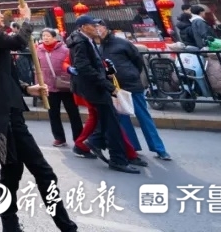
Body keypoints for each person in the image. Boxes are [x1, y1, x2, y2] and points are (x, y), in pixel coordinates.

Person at [0, 0, 77, 232]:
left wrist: (27, 88)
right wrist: (27, 18)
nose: (1, 15)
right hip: (5, 116)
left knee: (11, 174)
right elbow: (19, 41)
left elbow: (5, 75)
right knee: (43, 172)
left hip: (11, 112)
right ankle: (66, 227)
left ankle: (10, 226)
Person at [66, 16, 139, 174]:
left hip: (94, 87)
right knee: (111, 123)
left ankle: (95, 141)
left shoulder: (86, 40)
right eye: (93, 25)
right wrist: (107, 85)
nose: (97, 28)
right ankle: (117, 159)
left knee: (107, 120)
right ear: (84, 27)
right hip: (95, 88)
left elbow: (90, 64)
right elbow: (83, 66)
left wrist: (105, 70)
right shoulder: (81, 42)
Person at [96, 21, 170, 161]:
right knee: (123, 120)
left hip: (132, 84)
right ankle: (132, 148)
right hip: (115, 88)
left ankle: (159, 149)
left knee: (143, 117)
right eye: (94, 28)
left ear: (105, 28)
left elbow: (137, 60)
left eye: (99, 27)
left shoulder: (122, 43)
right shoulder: (98, 47)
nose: (97, 30)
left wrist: (132, 74)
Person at [35, 29, 81, 148]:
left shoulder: (65, 50)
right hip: (49, 87)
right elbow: (37, 69)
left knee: (73, 113)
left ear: (55, 37)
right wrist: (38, 85)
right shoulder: (38, 50)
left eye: (48, 36)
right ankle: (59, 138)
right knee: (53, 113)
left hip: (65, 86)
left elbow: (72, 65)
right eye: (43, 35)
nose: (45, 38)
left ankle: (79, 138)